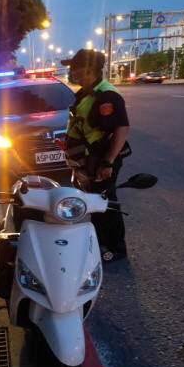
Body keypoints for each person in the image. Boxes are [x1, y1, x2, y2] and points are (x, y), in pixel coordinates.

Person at [61, 49, 131, 262]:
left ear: (90, 69)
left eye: (75, 68)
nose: (72, 71)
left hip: (101, 160)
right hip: (87, 160)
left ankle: (115, 248)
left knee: (106, 203)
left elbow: (121, 129)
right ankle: (99, 242)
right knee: (94, 202)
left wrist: (107, 162)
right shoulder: (86, 93)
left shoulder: (106, 95)